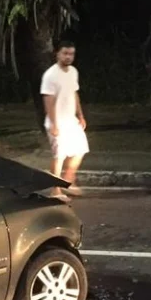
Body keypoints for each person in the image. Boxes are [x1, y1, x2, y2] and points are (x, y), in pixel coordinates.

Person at [41, 40, 89, 200]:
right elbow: (48, 100)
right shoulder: (50, 75)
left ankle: (68, 180)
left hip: (71, 120)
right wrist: (54, 124)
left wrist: (80, 115)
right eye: (65, 53)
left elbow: (74, 93)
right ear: (58, 54)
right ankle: (55, 191)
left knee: (80, 150)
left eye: (71, 54)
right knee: (59, 156)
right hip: (57, 122)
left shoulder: (73, 72)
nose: (69, 57)